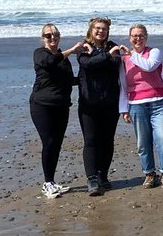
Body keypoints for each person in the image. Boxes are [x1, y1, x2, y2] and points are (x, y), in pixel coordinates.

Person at [29, 23, 84, 199]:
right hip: (42, 106)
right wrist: (72, 50)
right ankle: (47, 183)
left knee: (57, 144)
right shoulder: (40, 54)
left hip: (61, 105)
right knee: (49, 142)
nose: (53, 38)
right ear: (43, 38)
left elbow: (69, 80)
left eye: (55, 34)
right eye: (48, 35)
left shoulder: (63, 58)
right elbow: (50, 62)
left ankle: (52, 181)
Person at [119, 24, 163, 190]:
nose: (138, 39)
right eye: (134, 36)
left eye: (141, 35)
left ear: (146, 37)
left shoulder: (154, 52)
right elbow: (122, 84)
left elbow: (149, 66)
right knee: (143, 143)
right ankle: (150, 174)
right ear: (130, 38)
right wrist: (124, 109)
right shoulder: (124, 59)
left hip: (159, 101)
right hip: (136, 104)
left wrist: (131, 54)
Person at [75, 16, 124, 196]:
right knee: (91, 140)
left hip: (110, 101)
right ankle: (92, 179)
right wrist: (105, 57)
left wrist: (103, 58)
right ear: (91, 29)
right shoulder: (83, 47)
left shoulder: (113, 46)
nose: (100, 31)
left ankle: (103, 175)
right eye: (97, 28)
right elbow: (86, 64)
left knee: (107, 140)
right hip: (89, 102)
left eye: (103, 29)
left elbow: (115, 63)